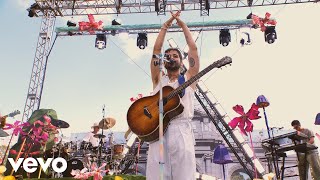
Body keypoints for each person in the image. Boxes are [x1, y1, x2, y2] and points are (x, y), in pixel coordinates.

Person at [147, 11, 199, 180]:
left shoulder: (189, 80)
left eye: (175, 56)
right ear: (163, 61)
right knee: (157, 176)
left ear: (181, 62)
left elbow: (193, 49)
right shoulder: (158, 80)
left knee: (184, 176)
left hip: (181, 132)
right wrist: (165, 27)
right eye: (167, 56)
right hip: (159, 132)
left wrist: (182, 25)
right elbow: (156, 49)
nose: (171, 57)